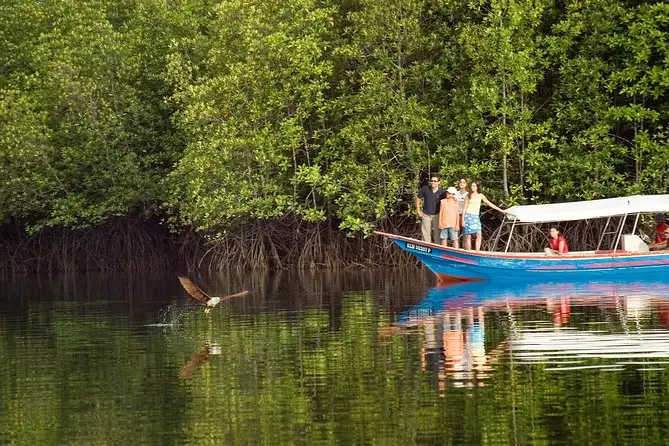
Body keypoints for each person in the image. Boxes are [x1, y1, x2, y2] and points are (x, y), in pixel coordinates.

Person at [461, 182, 506, 251]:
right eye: (471, 186)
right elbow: (464, 208)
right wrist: (462, 220)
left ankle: (477, 251)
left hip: (476, 217)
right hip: (468, 216)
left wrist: (501, 210)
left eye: (474, 186)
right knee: (468, 236)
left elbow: (489, 203)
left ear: (477, 187)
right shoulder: (468, 195)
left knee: (479, 234)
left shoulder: (480, 195)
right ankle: (469, 251)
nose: (472, 187)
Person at [416, 175, 446, 243]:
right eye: (431, 181)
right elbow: (418, 198)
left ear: (439, 182)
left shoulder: (443, 192)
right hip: (426, 214)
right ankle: (427, 247)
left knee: (437, 233)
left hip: (437, 215)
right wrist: (418, 210)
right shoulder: (425, 189)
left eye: (435, 181)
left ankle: (437, 248)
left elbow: (448, 200)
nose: (433, 182)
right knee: (425, 233)